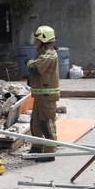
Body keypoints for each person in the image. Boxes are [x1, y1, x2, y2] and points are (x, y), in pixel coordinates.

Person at [27, 25, 60, 162]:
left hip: (47, 97)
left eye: (37, 40)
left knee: (46, 123)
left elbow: (35, 67)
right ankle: (37, 148)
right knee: (35, 123)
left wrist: (29, 62)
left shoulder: (49, 55)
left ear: (44, 40)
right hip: (40, 97)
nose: (35, 43)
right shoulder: (43, 54)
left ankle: (49, 151)